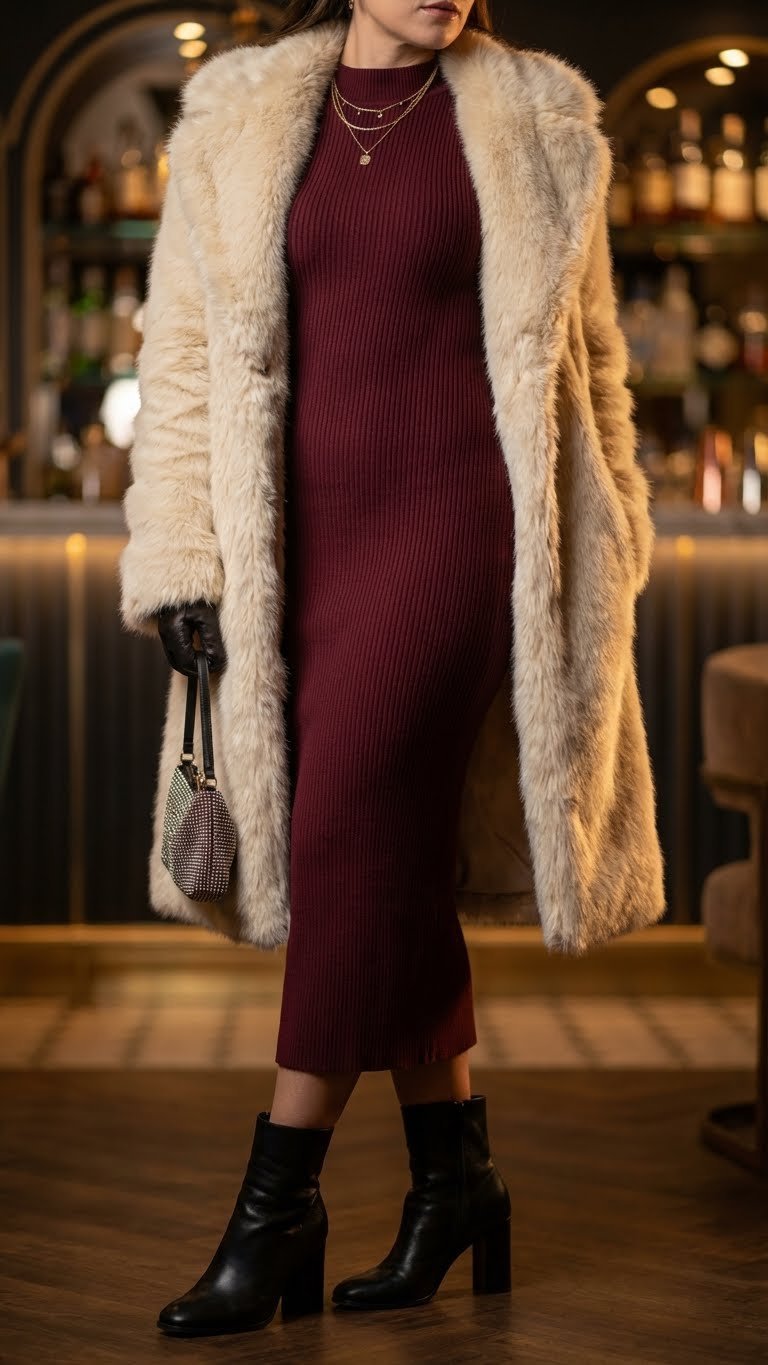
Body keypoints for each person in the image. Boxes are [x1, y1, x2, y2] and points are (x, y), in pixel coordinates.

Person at [118, 0, 665, 1340]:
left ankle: (277, 1198)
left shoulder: (537, 113)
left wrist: (622, 541)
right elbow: (181, 362)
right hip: (295, 553)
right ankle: (456, 1176)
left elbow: (593, 368)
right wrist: (183, 562)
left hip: (462, 536)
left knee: (353, 830)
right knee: (393, 861)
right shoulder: (240, 115)